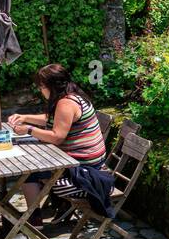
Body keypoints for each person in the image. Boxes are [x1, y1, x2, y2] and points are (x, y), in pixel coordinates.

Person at [8, 64, 112, 226]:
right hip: (89, 163)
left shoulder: (66, 103)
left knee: (31, 171)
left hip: (85, 172)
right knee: (35, 164)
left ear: (52, 86)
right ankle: (39, 213)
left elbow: (57, 137)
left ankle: (33, 219)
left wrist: (28, 129)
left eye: (42, 87)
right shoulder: (72, 95)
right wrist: (24, 117)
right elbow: (55, 120)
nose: (41, 91)